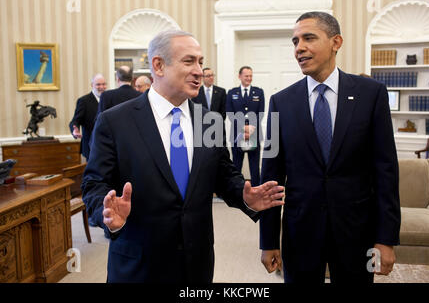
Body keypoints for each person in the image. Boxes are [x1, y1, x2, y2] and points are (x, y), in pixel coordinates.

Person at [81, 30, 285, 283]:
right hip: (139, 266)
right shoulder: (115, 121)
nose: (199, 70)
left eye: (200, 61)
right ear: (159, 65)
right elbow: (93, 184)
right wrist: (107, 212)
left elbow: (223, 175)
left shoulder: (208, 121)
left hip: (196, 262)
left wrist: (244, 196)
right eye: (189, 61)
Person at [259, 11, 401, 284]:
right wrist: (268, 240)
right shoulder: (281, 102)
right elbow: (271, 179)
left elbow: (385, 171)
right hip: (300, 231)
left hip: (356, 232)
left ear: (336, 42)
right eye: (295, 41)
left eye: (309, 38)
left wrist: (386, 239)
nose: (299, 48)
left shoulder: (371, 94)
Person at [226, 66, 265, 187]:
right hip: (238, 134)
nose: (249, 78)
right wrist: (243, 128)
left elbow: (261, 112)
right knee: (236, 165)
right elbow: (230, 113)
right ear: (239, 76)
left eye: (251, 76)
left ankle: (256, 190)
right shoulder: (232, 93)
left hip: (254, 133)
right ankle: (237, 191)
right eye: (246, 76)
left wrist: (252, 128)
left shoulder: (259, 92)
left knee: (254, 166)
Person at [69, 74, 107, 160]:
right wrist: (75, 130)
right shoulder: (84, 101)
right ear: (92, 85)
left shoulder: (109, 99)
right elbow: (75, 121)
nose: (101, 87)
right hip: (91, 147)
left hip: (106, 147)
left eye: (104, 84)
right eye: (98, 84)